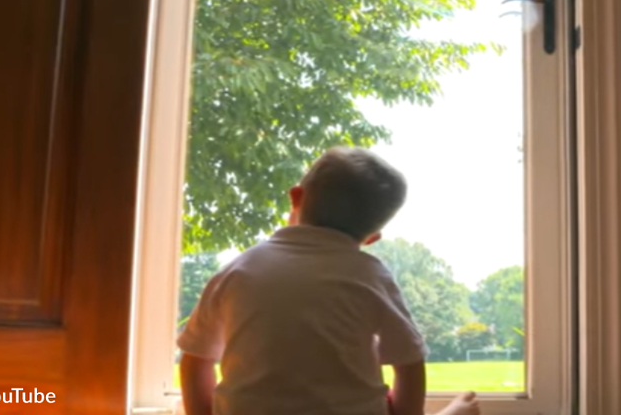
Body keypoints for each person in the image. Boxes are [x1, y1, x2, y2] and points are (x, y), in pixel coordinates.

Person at [177, 146, 480, 415]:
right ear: (372, 238)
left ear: (296, 197)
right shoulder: (370, 275)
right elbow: (410, 362)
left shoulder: (237, 269)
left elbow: (195, 360)